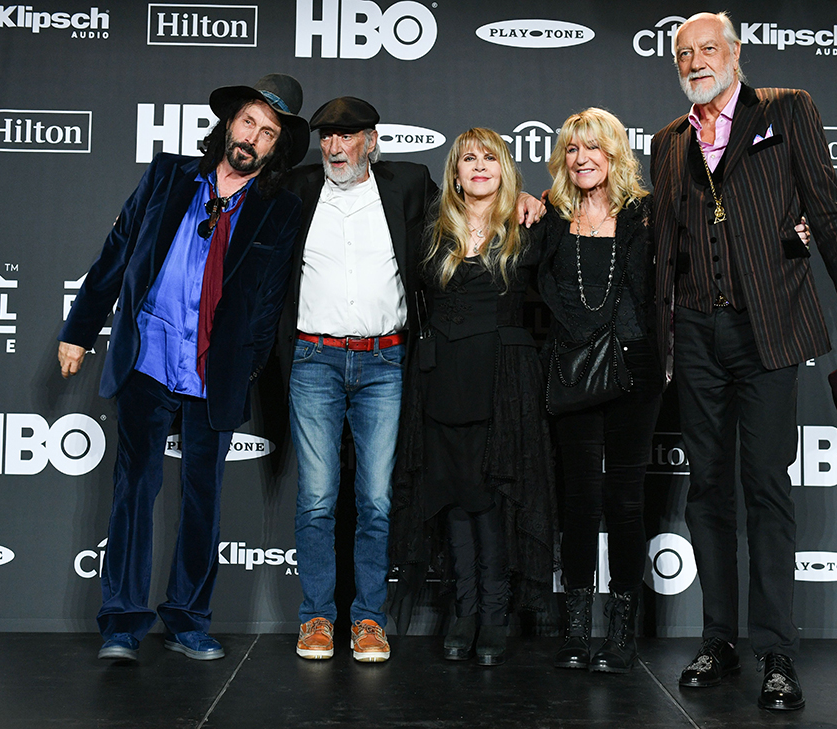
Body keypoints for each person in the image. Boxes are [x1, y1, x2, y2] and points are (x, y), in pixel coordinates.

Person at [650, 12, 837, 710]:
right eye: (683, 54)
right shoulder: (668, 142)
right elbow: (662, 242)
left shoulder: (787, 111)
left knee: (766, 487)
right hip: (695, 332)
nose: (695, 61)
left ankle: (776, 650)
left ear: (735, 53)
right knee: (707, 490)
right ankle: (719, 638)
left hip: (769, 330)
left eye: (707, 49)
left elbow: (828, 207)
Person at [276, 98, 546, 663]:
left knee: (377, 501)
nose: (335, 146)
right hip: (314, 360)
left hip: (386, 363)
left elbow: (484, 205)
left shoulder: (408, 184)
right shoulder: (296, 188)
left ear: (371, 142)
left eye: (348, 136)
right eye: (327, 136)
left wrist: (522, 196)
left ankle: (370, 620)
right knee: (318, 499)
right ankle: (317, 620)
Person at [58, 74, 308, 662]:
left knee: (203, 499)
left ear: (275, 148)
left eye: (267, 132)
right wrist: (78, 329)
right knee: (133, 491)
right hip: (147, 356)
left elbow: (270, 301)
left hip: (212, 371)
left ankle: (188, 618)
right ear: (228, 124)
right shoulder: (168, 175)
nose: (252, 137)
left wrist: (243, 370)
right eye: (247, 122)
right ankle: (121, 621)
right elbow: (117, 251)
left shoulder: (280, 209)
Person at [390, 129, 556, 666]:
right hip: (438, 379)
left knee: (492, 499)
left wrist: (542, 199)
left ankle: (494, 614)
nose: (479, 166)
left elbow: (591, 211)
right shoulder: (430, 232)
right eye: (468, 159)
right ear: (454, 173)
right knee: (452, 497)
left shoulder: (528, 227)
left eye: (490, 158)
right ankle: (463, 612)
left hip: (504, 382)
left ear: (505, 169)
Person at [539, 108, 665, 674]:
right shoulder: (550, 216)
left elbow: (712, 242)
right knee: (580, 501)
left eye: (594, 148)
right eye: (572, 149)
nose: (583, 159)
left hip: (635, 368)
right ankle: (575, 630)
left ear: (615, 154)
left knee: (626, 499)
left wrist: (793, 231)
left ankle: (621, 633)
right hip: (572, 370)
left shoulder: (647, 216)